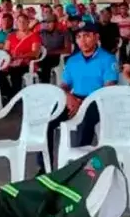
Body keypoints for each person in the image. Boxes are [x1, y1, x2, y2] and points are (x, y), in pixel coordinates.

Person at [40, 22, 118, 171]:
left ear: (96, 37)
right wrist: (68, 97)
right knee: (48, 119)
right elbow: (64, 85)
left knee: (86, 122)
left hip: (99, 101)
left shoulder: (108, 59)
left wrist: (85, 102)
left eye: (87, 36)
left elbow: (109, 87)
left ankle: (81, 165)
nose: (83, 40)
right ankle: (45, 165)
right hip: (75, 98)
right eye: (79, 37)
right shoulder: (73, 60)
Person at [0, 14, 42, 100]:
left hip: (26, 63)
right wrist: (9, 56)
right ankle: (10, 94)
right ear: (16, 23)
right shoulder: (11, 36)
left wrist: (21, 56)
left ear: (28, 23)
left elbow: (35, 53)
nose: (21, 23)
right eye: (19, 21)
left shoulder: (34, 36)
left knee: (15, 72)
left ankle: (14, 96)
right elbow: (6, 50)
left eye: (24, 21)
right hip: (11, 61)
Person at [38, 15, 72, 84]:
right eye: (46, 22)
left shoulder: (63, 33)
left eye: (50, 22)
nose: (47, 24)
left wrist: (51, 52)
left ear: (56, 23)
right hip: (42, 56)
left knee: (46, 64)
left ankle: (45, 84)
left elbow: (68, 50)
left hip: (56, 57)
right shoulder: (42, 32)